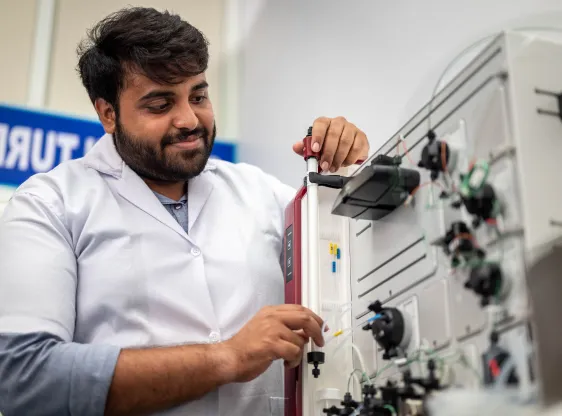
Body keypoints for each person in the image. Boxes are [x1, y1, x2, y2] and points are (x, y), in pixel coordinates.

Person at [0, 7, 369, 416]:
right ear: (108, 113)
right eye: (160, 104)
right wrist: (226, 358)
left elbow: (352, 265)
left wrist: (347, 168)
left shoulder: (259, 192)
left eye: (198, 96)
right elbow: (23, 376)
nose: (189, 119)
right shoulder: (51, 203)